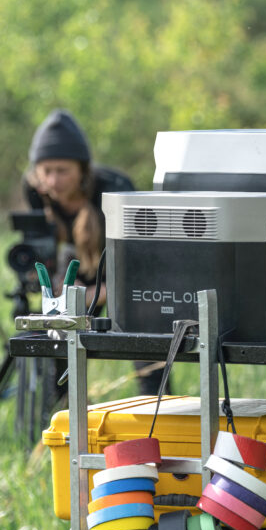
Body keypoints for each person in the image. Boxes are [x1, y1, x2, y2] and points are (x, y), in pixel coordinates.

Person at [22, 108, 164, 403]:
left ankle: (156, 412)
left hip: (123, 274)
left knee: (145, 345)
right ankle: (64, 417)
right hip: (80, 270)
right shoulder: (35, 190)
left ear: (82, 170)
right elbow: (42, 243)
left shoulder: (115, 189)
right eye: (46, 171)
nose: (53, 180)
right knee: (58, 339)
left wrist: (91, 296)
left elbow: (140, 269)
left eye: (63, 171)